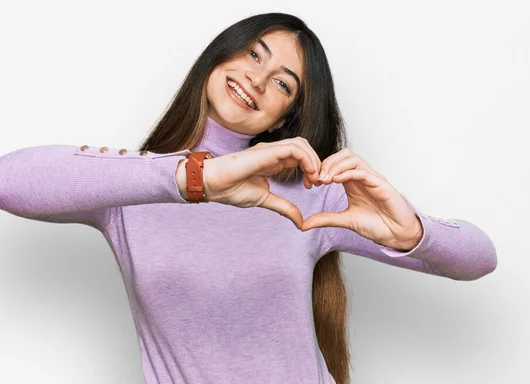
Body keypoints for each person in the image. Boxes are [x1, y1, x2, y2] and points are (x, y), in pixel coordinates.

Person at [0, 12, 497, 384]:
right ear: (220, 54)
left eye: (282, 83)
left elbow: (479, 258)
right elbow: (9, 180)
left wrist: (411, 232)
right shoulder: (135, 185)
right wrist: (194, 178)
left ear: (285, 117)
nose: (257, 79)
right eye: (253, 54)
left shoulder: (309, 195)